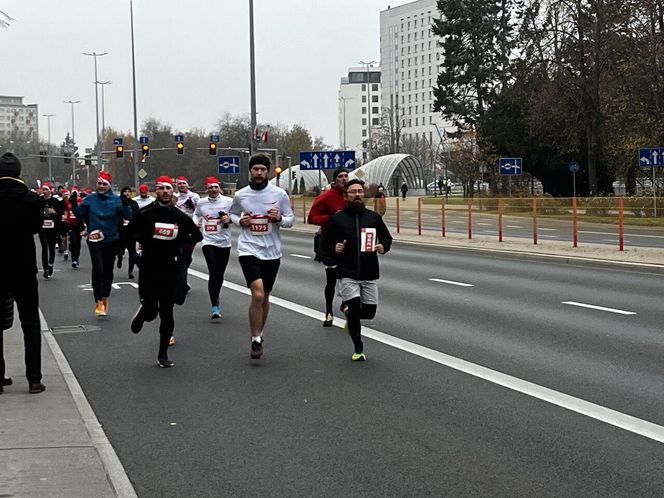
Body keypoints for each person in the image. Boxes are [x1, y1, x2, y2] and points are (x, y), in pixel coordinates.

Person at [127, 176, 203, 368]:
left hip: (171, 268)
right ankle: (142, 315)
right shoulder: (145, 214)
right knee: (152, 309)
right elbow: (128, 234)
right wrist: (135, 256)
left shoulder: (179, 216)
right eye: (161, 188)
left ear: (172, 192)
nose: (166, 192)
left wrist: (182, 249)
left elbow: (196, 235)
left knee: (167, 312)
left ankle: (163, 354)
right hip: (149, 267)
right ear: (156, 191)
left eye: (169, 188)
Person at [229, 154, 294, 359]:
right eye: (255, 169)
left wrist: (280, 218)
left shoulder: (279, 194)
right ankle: (255, 338)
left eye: (262, 170)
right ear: (250, 171)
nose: (258, 173)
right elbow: (231, 215)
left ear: (267, 171)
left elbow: (291, 219)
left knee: (265, 295)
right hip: (249, 248)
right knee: (257, 293)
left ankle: (259, 332)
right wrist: (241, 221)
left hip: (271, 251)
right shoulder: (241, 195)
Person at [322, 179, 393, 361]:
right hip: (347, 273)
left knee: (369, 312)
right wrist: (334, 248)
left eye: (360, 192)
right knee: (354, 310)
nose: (357, 195)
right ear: (346, 196)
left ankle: (347, 312)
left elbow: (387, 238)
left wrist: (383, 247)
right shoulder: (337, 219)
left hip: (369, 272)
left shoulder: (373, 217)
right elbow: (325, 244)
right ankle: (358, 347)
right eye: (353, 192)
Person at [0, 152, 46, 393]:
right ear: (19, 173)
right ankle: (34, 379)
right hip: (23, 266)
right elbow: (36, 228)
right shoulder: (32, 200)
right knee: (30, 322)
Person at [75, 170, 131, 316]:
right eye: (99, 183)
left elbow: (128, 216)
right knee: (98, 268)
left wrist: (125, 204)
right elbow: (79, 215)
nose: (100, 186)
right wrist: (75, 204)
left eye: (103, 184)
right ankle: (98, 300)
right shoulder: (90, 199)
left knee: (107, 270)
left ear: (109, 186)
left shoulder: (116, 200)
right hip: (94, 239)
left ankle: (105, 296)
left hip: (111, 239)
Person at [307, 167, 348, 327]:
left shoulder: (351, 196)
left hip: (347, 243)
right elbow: (311, 218)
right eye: (341, 176)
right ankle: (328, 312)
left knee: (348, 278)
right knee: (331, 279)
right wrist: (329, 219)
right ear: (335, 179)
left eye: (346, 176)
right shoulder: (325, 197)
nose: (344, 179)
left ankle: (345, 304)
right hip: (329, 242)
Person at [193, 176, 233, 319]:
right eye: (210, 187)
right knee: (213, 272)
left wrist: (229, 219)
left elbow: (237, 215)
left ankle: (216, 298)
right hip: (208, 242)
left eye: (215, 187)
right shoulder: (201, 203)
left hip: (224, 242)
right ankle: (214, 305)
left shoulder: (228, 201)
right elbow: (195, 215)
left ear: (219, 188)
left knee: (220, 275)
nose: (213, 190)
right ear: (206, 189)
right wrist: (195, 223)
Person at [38, 182, 64, 279]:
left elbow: (60, 215)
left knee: (51, 248)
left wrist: (55, 212)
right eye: (43, 190)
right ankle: (46, 269)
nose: (44, 192)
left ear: (50, 191)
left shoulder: (55, 201)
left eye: (46, 190)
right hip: (42, 228)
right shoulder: (39, 200)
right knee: (44, 247)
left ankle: (50, 264)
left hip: (52, 229)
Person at [117, 186, 140, 279]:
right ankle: (119, 258)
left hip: (131, 231)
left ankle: (130, 271)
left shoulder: (134, 203)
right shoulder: (118, 203)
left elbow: (137, 215)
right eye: (125, 191)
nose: (127, 193)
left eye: (128, 191)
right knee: (120, 249)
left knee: (132, 251)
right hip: (120, 230)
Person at [63, 188, 84, 268]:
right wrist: (65, 217)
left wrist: (84, 223)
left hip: (79, 225)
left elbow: (84, 212)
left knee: (78, 242)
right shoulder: (68, 202)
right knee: (73, 241)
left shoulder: (81, 201)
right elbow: (66, 211)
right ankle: (74, 260)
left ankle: (76, 257)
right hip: (71, 224)